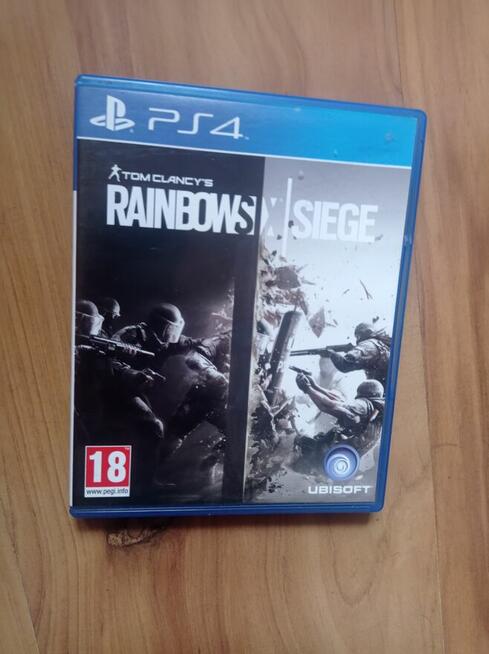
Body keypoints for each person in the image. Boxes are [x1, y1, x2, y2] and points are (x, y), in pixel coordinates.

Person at [293, 374, 385, 467]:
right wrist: (315, 386)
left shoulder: (363, 406)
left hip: (334, 457)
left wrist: (308, 389)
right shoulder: (375, 407)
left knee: (301, 440)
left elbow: (329, 405)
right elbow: (339, 401)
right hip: (348, 457)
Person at [326, 322, 391, 386]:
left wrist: (331, 353)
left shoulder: (368, 345)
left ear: (367, 332)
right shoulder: (382, 345)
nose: (357, 340)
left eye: (358, 336)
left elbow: (345, 364)